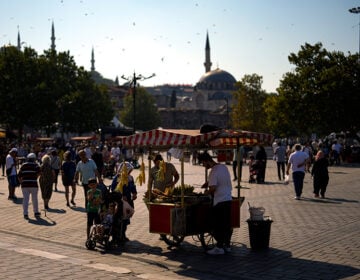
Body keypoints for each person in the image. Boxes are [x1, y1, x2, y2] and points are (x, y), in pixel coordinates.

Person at [198, 152, 232, 255]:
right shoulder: (223, 167)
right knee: (226, 224)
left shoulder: (213, 171)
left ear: (206, 161)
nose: (204, 166)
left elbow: (213, 189)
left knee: (216, 224)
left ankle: (219, 247)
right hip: (228, 199)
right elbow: (220, 180)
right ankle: (227, 245)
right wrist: (208, 183)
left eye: (203, 164)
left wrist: (206, 192)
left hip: (219, 201)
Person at [110, 161, 137, 242]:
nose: (129, 172)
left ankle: (123, 234)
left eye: (129, 170)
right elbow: (113, 189)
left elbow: (133, 187)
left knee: (126, 219)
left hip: (128, 200)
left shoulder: (130, 178)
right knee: (118, 219)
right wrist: (121, 196)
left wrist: (134, 194)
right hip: (119, 201)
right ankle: (116, 236)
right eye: (127, 170)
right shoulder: (117, 177)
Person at [18, 153, 41, 219]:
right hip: (33, 184)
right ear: (34, 159)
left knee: (25, 199)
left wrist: (21, 182)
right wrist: (36, 177)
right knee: (34, 199)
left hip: (25, 184)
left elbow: (19, 175)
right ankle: (36, 212)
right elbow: (39, 173)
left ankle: (25, 214)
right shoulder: (36, 165)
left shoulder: (23, 165)